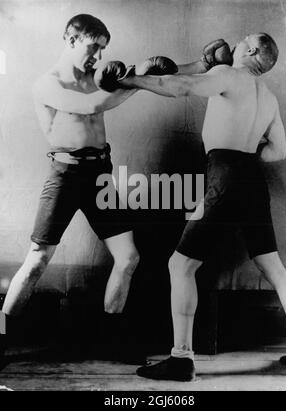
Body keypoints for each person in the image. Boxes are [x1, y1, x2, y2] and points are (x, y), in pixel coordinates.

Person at [120, 33, 286, 380]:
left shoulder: (228, 75)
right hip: (252, 178)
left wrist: (131, 80)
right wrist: (244, 152)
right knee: (274, 268)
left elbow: (181, 87)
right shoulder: (268, 97)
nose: (234, 45)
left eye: (242, 41)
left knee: (181, 265)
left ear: (250, 51)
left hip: (226, 176)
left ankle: (181, 359)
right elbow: (277, 151)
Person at [0, 13, 143, 367]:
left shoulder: (96, 77)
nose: (98, 56)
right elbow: (92, 106)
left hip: (100, 176)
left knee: (128, 258)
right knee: (37, 260)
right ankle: (0, 339)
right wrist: (136, 84)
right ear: (71, 39)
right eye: (93, 46)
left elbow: (139, 76)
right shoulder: (47, 84)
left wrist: (193, 65)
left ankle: (111, 341)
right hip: (65, 175)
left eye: (103, 49)